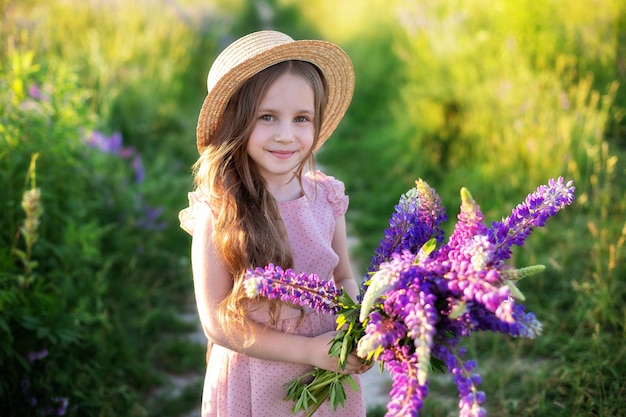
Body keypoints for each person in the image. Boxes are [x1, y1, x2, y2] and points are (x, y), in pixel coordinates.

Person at [179, 30, 368, 416]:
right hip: (255, 378)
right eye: (267, 117)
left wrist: (359, 328)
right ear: (236, 121)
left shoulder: (327, 197)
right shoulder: (219, 209)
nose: (286, 135)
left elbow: (344, 276)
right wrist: (307, 350)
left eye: (302, 119)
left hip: (325, 371)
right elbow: (216, 322)